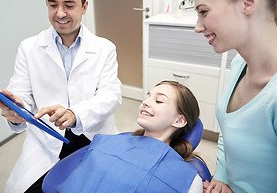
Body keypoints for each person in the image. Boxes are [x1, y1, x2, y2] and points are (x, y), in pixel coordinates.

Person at [0, 0, 122, 193]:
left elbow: (111, 95)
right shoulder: (29, 47)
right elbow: (20, 92)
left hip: (94, 137)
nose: (60, 13)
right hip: (47, 141)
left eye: (69, 5)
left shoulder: (104, 48)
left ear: (84, 7)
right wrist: (16, 110)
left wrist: (76, 114)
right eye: (53, 5)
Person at [194, 0, 277, 192]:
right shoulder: (241, 63)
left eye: (204, 12)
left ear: (249, 2)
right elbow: (228, 130)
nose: (197, 26)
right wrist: (222, 176)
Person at [42, 81, 204, 193]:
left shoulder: (188, 179)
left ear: (179, 120)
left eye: (159, 101)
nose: (146, 102)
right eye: (147, 96)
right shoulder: (106, 142)